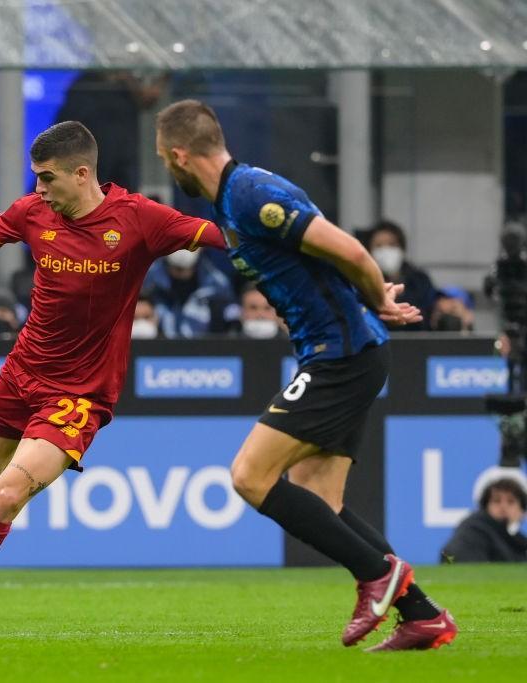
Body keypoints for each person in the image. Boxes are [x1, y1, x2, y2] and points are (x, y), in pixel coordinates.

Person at [0, 120, 224, 637]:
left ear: (81, 173)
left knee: (5, 496)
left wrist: (283, 243)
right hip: (21, 373)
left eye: (47, 178)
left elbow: (220, 237)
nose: (37, 189)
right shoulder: (33, 212)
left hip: (79, 394)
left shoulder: (141, 219)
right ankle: (27, 465)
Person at [155, 99, 457, 652]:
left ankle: (377, 575)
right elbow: (328, 260)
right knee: (319, 495)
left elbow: (350, 248)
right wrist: (366, 295)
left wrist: (374, 298)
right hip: (345, 349)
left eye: (166, 162)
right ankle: (422, 616)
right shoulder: (237, 193)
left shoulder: (247, 194)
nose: (169, 173)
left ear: (179, 155)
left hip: (341, 354)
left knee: (249, 475)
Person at [144, 247, 240, 338]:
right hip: (154, 353)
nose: (183, 246)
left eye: (190, 238)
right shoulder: (144, 283)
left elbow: (228, 334)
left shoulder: (218, 286)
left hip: (204, 353)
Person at [365, 220, 437, 331]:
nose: (386, 251)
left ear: (402, 248)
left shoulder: (420, 280)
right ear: (370, 251)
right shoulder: (364, 283)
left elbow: (429, 315)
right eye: (379, 246)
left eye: (391, 245)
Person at [442, 474, 527, 562]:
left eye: (511, 501)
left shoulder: (518, 543)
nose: (503, 506)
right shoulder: (473, 531)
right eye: (496, 501)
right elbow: (452, 556)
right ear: (485, 507)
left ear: (522, 511)